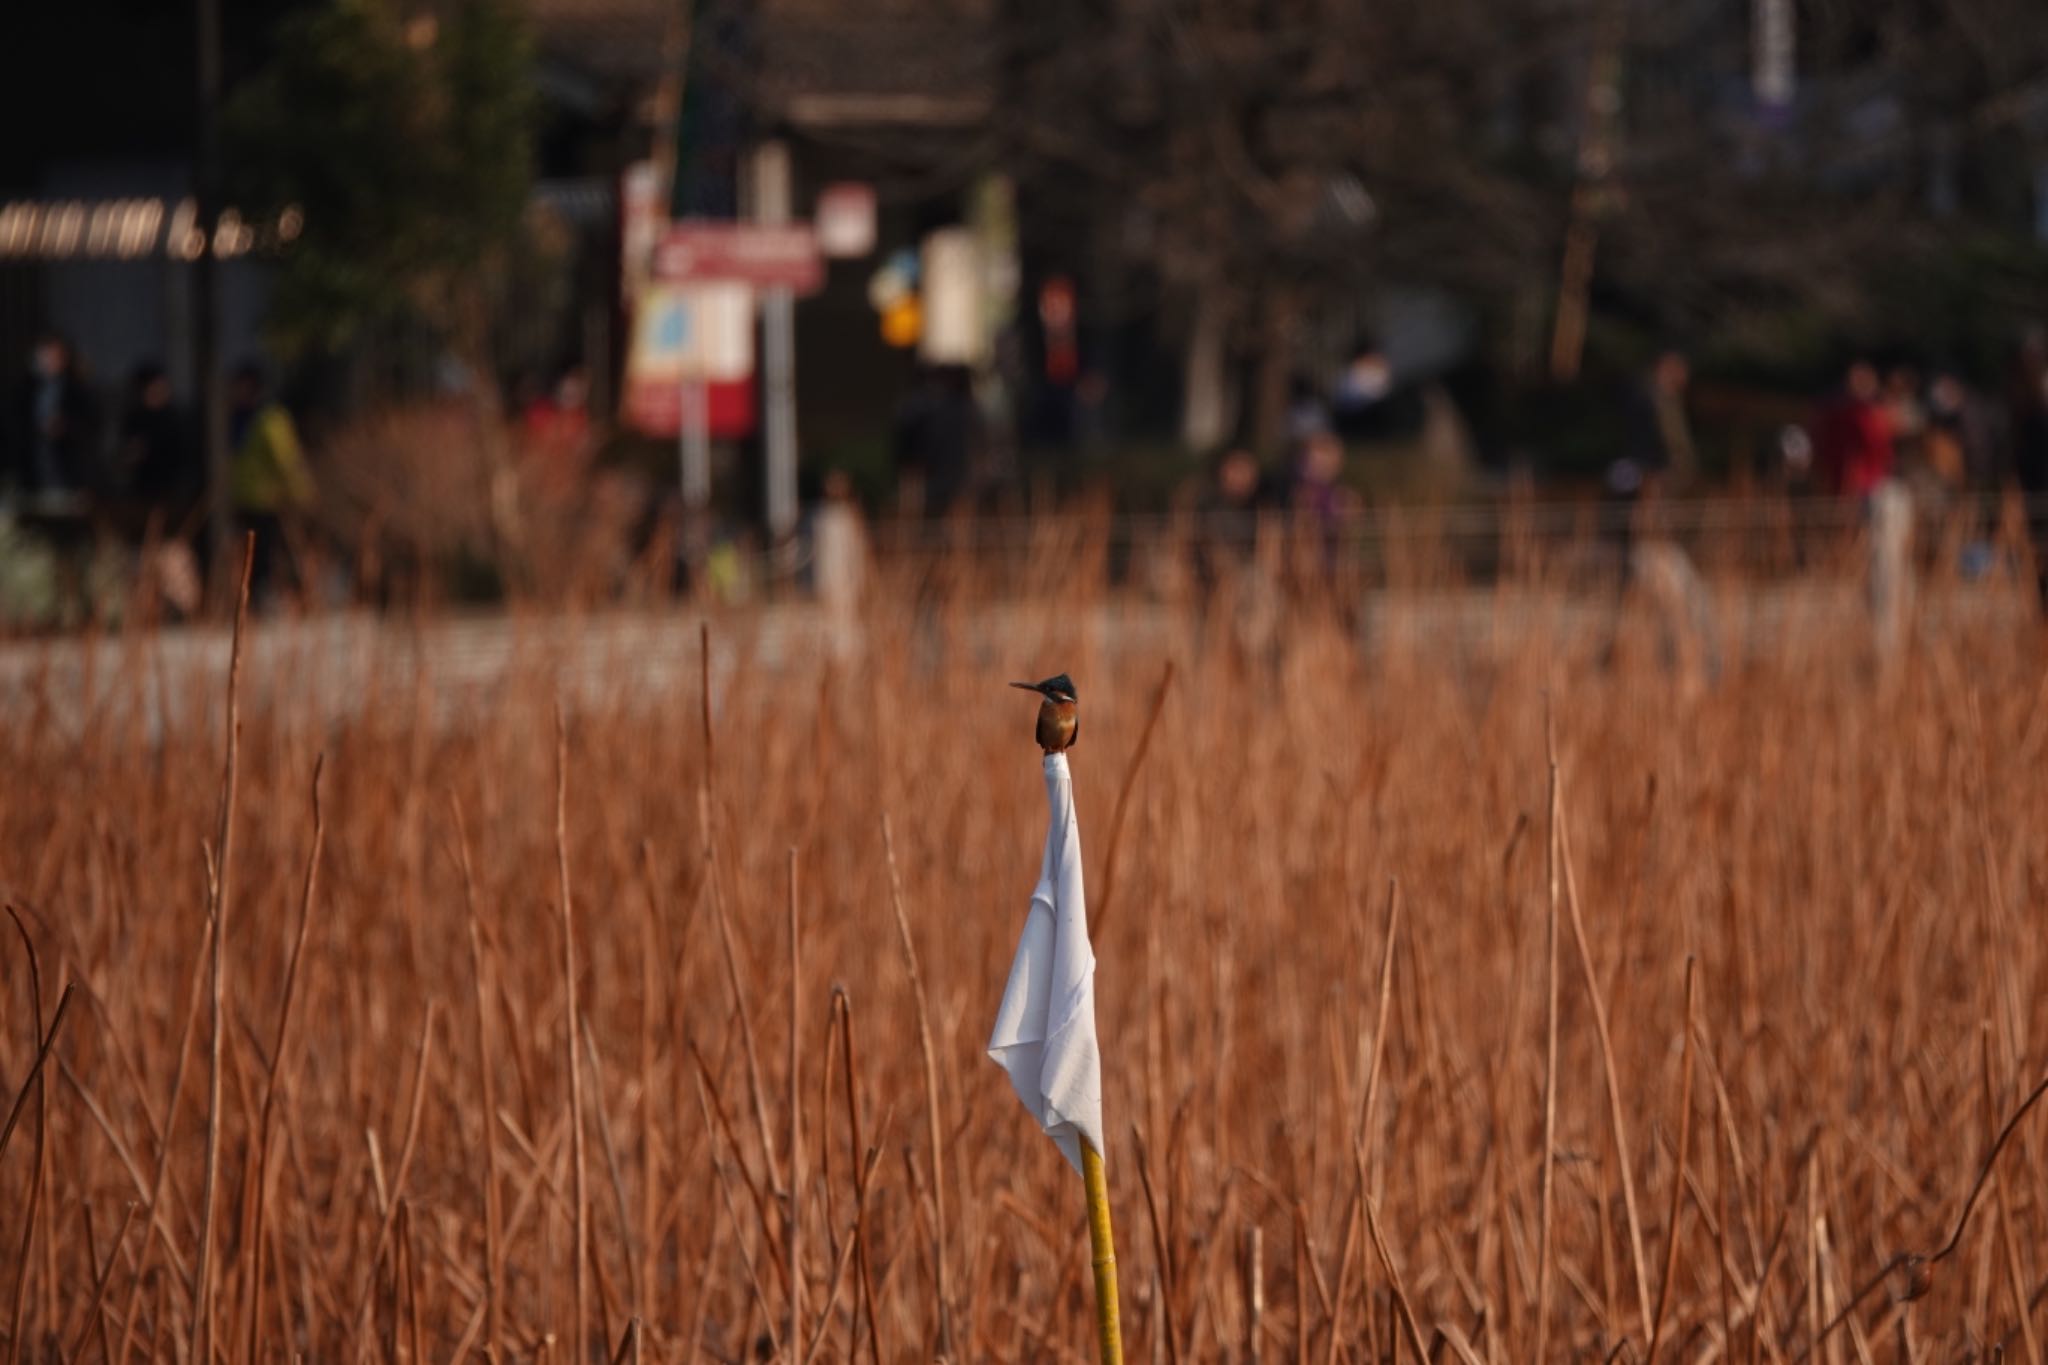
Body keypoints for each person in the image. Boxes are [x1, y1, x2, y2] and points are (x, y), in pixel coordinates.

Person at [228, 363, 314, 600]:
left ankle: (287, 594)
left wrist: (300, 492)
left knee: (271, 550)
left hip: (269, 498)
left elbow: (285, 458)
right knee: (256, 552)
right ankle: (261, 595)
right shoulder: (237, 417)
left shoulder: (270, 418)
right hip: (245, 496)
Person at [6, 332, 100, 506]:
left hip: (68, 472)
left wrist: (66, 425)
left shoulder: (77, 390)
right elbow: (14, 427)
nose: (51, 361)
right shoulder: (25, 390)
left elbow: (91, 428)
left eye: (56, 356)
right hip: (34, 471)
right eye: (46, 356)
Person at [1813, 361, 1894, 499]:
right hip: (1844, 480)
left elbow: (1882, 447)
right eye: (1858, 380)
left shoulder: (1875, 413)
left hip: (1872, 481)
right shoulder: (1840, 413)